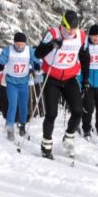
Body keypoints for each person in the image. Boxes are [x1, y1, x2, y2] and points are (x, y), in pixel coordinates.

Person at [34, 10, 90, 159]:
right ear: (62, 24)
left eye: (74, 29)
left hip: (70, 78)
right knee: (51, 113)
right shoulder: (52, 33)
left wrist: (85, 79)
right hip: (52, 77)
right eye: (68, 29)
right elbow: (38, 53)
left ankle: (69, 137)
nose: (71, 32)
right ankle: (46, 144)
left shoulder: (82, 36)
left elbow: (85, 58)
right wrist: (52, 45)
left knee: (78, 111)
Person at [0, 32, 40, 140]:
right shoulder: (8, 50)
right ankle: (10, 128)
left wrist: (36, 65)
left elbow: (35, 60)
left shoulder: (29, 50)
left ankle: (22, 126)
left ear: (25, 43)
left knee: (24, 105)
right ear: (14, 43)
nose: (19, 46)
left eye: (21, 44)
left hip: (23, 82)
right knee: (13, 104)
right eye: (17, 44)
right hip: (11, 82)